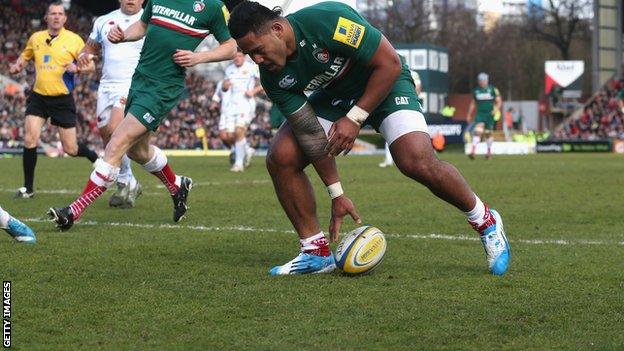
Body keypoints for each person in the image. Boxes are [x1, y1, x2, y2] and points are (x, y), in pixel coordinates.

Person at [228, 1, 511, 276]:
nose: (257, 60)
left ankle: (485, 220)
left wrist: (355, 117)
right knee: (282, 157)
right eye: (249, 54)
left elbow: (389, 64)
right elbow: (309, 133)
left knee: (415, 161)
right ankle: (315, 252)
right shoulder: (271, 76)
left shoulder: (327, 20)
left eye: (258, 50)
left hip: (385, 81)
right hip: (335, 95)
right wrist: (336, 194)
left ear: (277, 29)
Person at [48, 0, 238, 231]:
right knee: (137, 151)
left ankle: (73, 212)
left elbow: (230, 46)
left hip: (163, 87)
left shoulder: (212, 6)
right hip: (139, 80)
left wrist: (199, 58)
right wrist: (124, 36)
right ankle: (177, 185)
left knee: (116, 143)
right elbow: (142, 25)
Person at [9, 1, 99, 199]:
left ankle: (93, 156)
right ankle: (28, 188)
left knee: (71, 148)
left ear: (65, 18)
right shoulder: (36, 38)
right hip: (38, 97)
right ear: (46, 17)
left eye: (60, 13)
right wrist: (17, 66)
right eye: (53, 13)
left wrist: (78, 69)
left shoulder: (74, 40)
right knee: (29, 138)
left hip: (62, 99)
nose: (57, 16)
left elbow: (91, 67)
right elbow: (24, 57)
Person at [78, 0, 144, 208]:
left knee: (116, 130)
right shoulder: (104, 21)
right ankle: (127, 180)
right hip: (106, 85)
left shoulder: (148, 21)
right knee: (106, 135)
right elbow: (89, 48)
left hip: (131, 83)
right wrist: (84, 57)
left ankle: (127, 181)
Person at [218, 50, 263, 172]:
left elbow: (264, 83)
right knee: (229, 136)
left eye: (239, 56)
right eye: (235, 56)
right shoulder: (229, 69)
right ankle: (248, 150)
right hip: (231, 106)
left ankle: (239, 164)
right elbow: (224, 88)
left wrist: (253, 91)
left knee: (239, 131)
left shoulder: (252, 67)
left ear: (244, 57)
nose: (237, 58)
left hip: (246, 104)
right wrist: (224, 87)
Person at [379, 70, 422, 168]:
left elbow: (418, 88)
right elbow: (418, 89)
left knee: (392, 134)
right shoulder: (411, 73)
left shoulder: (400, 71)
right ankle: (424, 155)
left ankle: (390, 160)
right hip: (411, 105)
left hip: (403, 106)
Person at [467, 72, 501, 160]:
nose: (482, 82)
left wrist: (496, 109)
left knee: (487, 134)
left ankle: (489, 152)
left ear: (487, 80)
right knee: (478, 131)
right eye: (480, 80)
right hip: (480, 114)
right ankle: (473, 151)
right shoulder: (476, 91)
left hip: (490, 115)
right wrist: (469, 114)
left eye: (483, 80)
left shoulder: (493, 89)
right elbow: (473, 103)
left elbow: (499, 101)